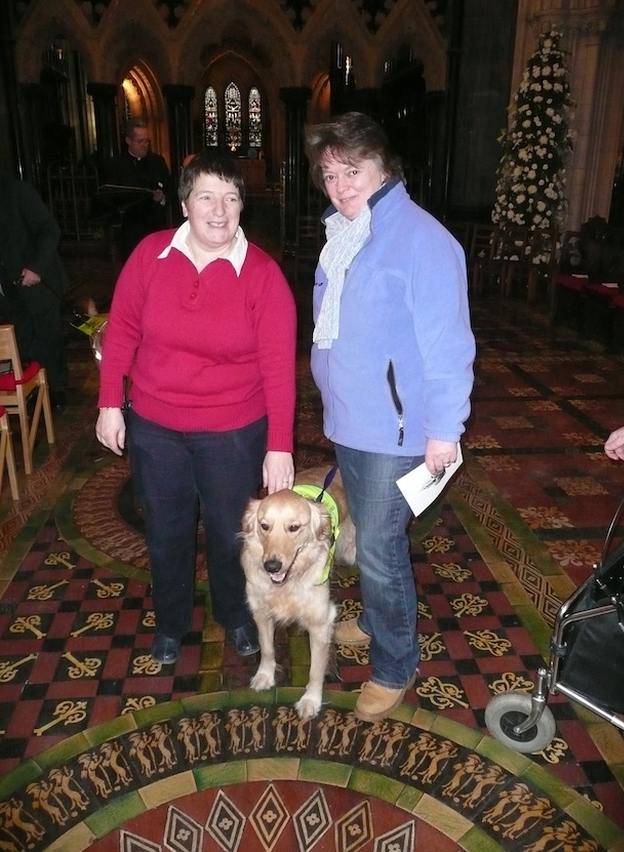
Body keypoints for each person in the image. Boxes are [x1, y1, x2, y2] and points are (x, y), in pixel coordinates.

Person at [304, 112, 475, 723]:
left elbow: (449, 344)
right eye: (329, 174)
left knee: (378, 549)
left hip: (395, 431)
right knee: (370, 540)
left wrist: (444, 430)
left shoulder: (423, 240)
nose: (341, 185)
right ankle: (376, 617)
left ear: (383, 167)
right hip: (351, 420)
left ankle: (395, 664)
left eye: (353, 170)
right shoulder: (346, 234)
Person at [95, 150, 297, 665]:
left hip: (233, 429)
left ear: (241, 207)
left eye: (231, 198)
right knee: (165, 529)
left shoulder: (263, 275)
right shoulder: (149, 256)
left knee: (233, 532)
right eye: (206, 196)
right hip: (156, 425)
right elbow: (121, 330)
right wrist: (110, 403)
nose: (219, 210)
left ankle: (234, 614)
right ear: (184, 203)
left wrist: (279, 446)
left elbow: (278, 368)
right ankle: (171, 620)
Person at [0, 175, 69, 409]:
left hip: (37, 280)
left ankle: (56, 390)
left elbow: (49, 230)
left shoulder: (17, 190)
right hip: (7, 286)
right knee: (22, 340)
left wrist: (35, 267)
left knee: (48, 338)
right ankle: (33, 393)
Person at [105, 119, 173, 260]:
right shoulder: (116, 164)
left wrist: (162, 197)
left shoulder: (157, 162)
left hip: (156, 227)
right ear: (128, 141)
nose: (145, 145)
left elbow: (171, 190)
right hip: (131, 230)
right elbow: (111, 197)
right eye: (140, 141)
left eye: (147, 141)